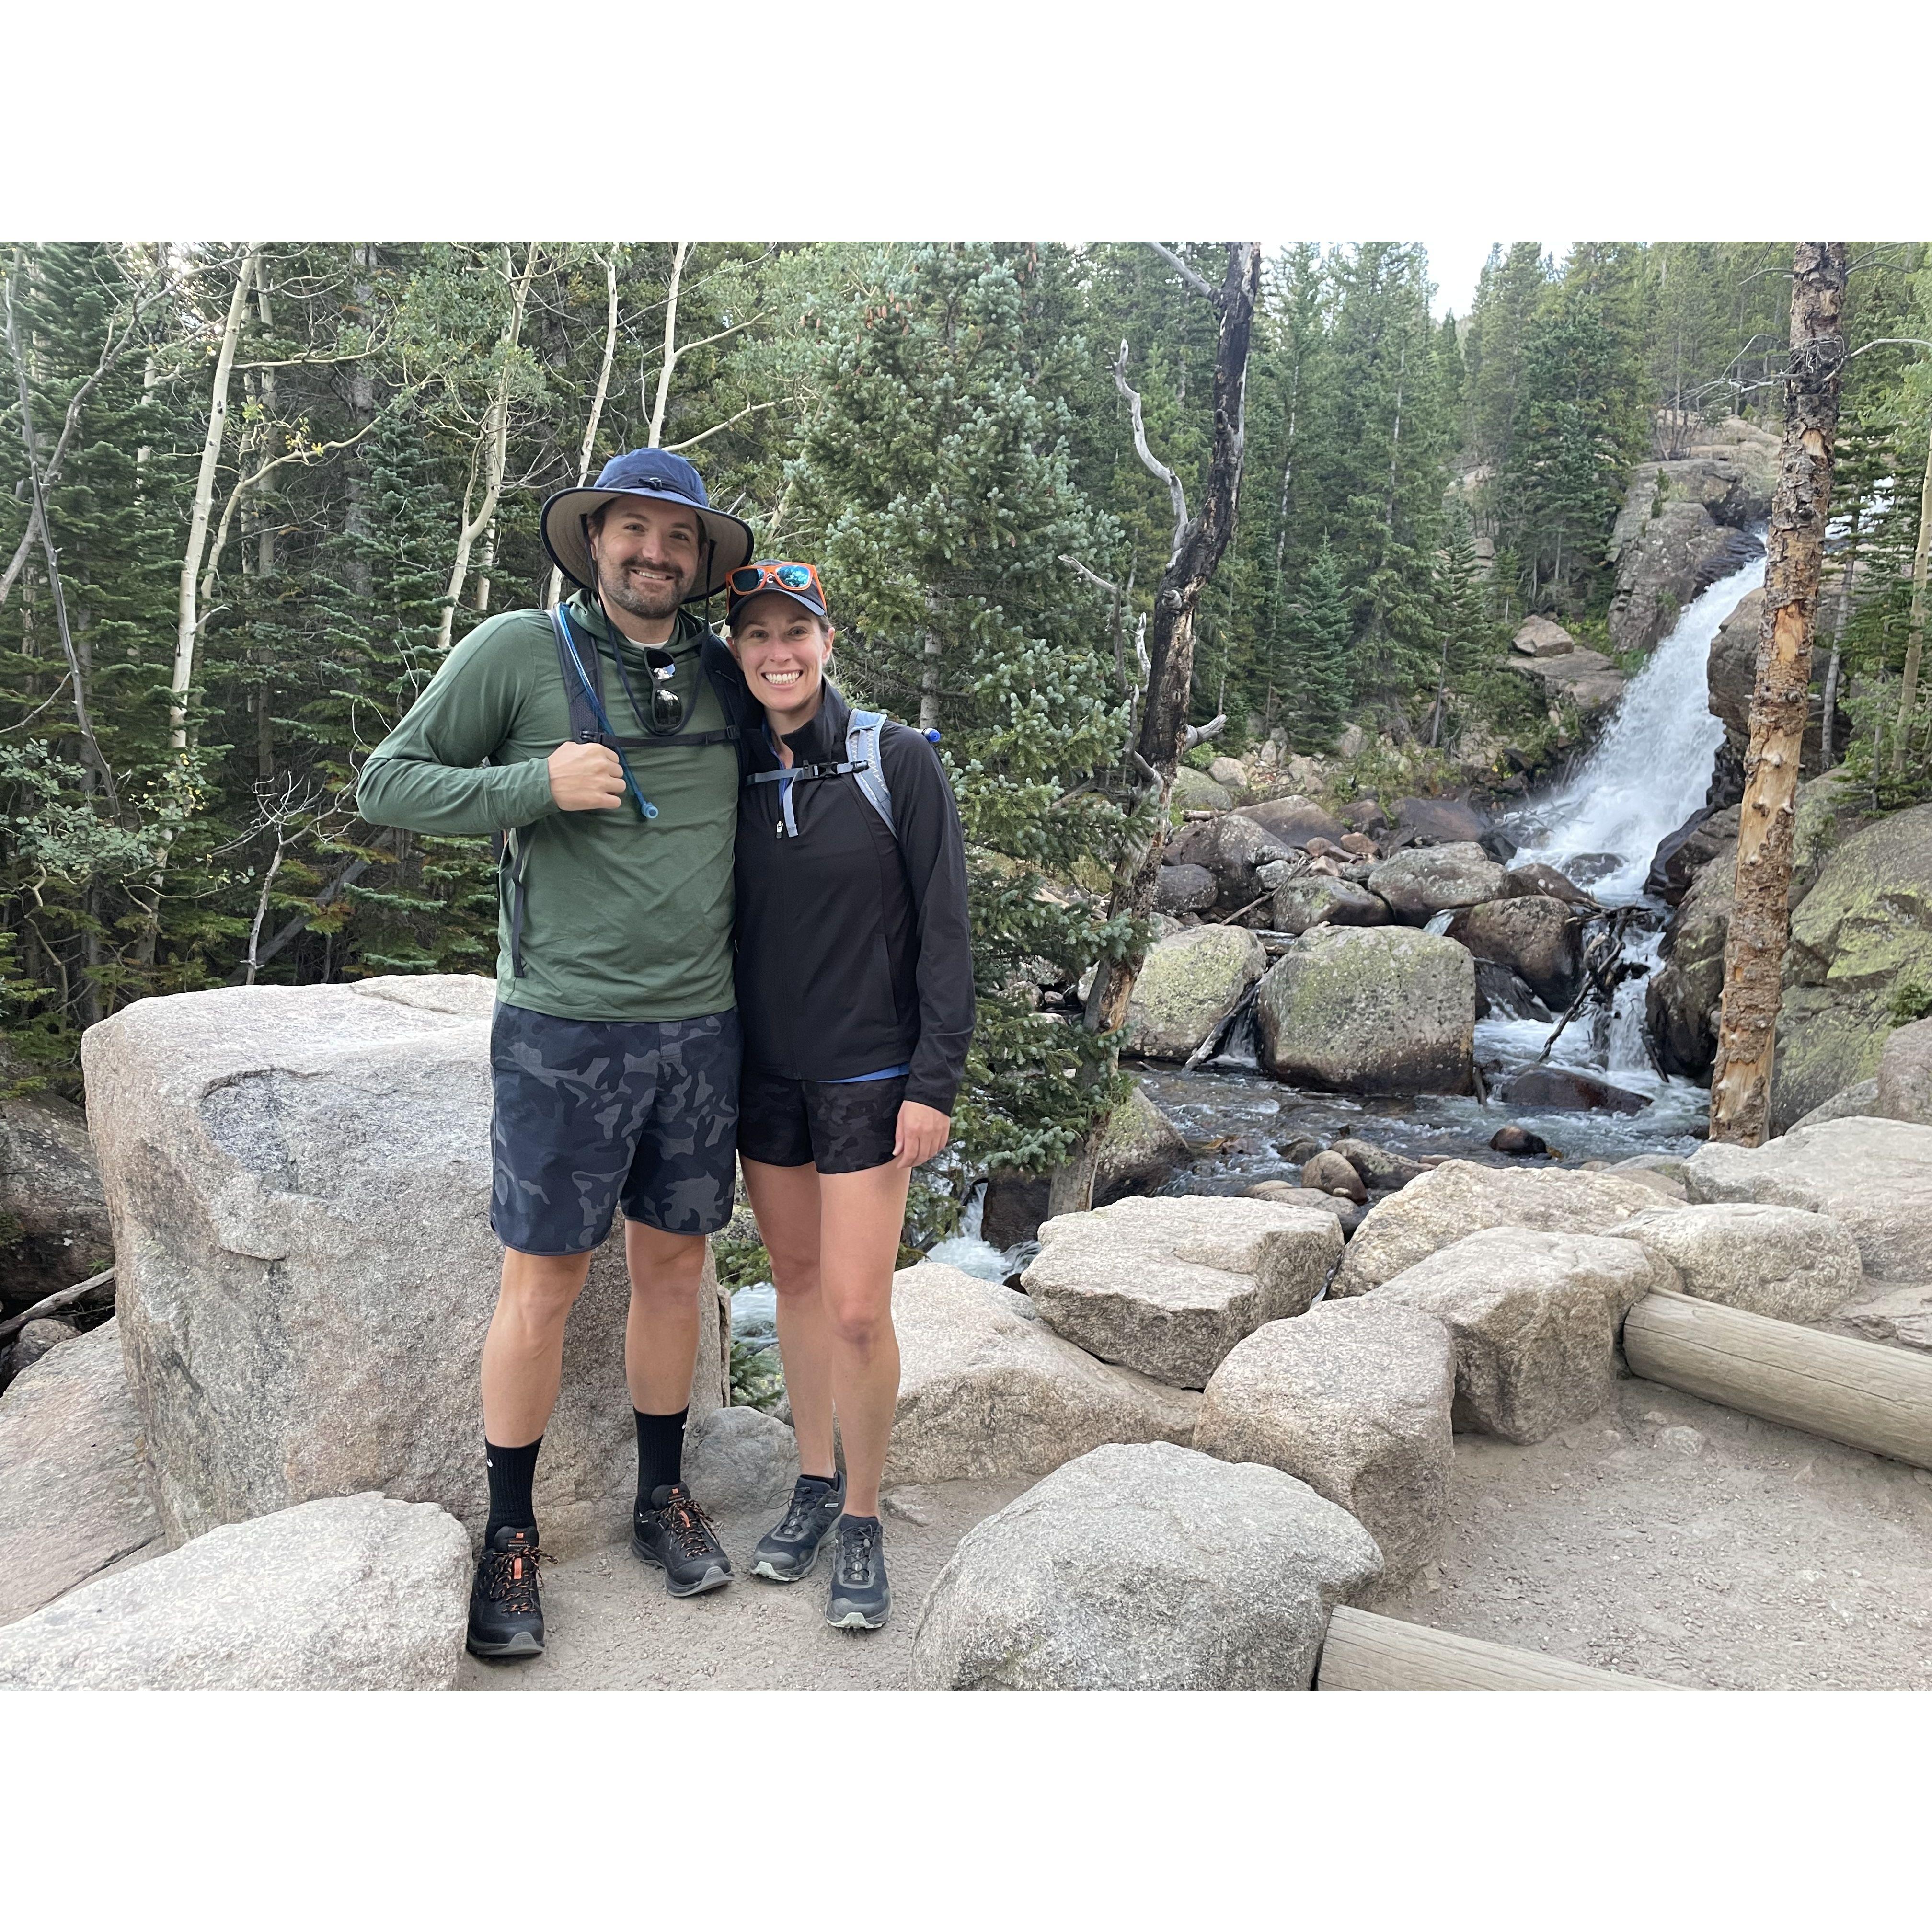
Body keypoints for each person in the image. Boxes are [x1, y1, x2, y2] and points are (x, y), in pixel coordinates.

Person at [356, 448, 758, 1660]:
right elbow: (388, 782)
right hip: (563, 1027)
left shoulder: (724, 672)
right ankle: (512, 1533)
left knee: (675, 1273)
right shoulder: (517, 653)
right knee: (543, 1282)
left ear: (700, 561)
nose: (654, 554)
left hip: (702, 1027)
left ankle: (658, 1497)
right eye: (631, 532)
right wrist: (535, 781)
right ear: (593, 543)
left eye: (677, 539)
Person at [724, 561, 973, 1631]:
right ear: (736, 654)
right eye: (756, 636)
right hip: (764, 1076)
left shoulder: (895, 760)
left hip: (872, 1076)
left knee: (862, 1309)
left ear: (827, 642)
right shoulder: (723, 769)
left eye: (796, 631)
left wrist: (936, 1082)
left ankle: (863, 1518)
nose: (777, 651)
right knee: (795, 1280)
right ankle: (812, 1484)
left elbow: (948, 928)